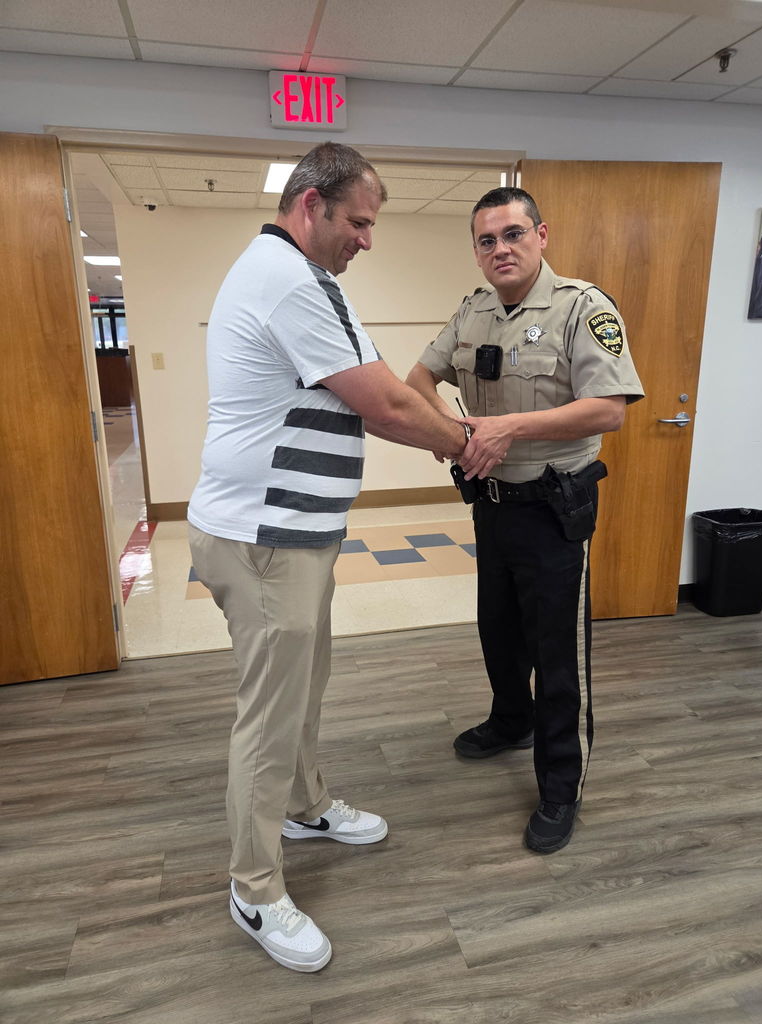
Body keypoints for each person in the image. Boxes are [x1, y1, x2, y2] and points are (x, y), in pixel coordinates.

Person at [187, 142, 469, 974]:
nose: (366, 239)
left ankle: (305, 806)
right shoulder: (283, 279)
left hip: (298, 533)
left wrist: (445, 432)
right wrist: (467, 444)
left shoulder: (309, 281)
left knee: (305, 687)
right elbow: (382, 402)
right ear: (310, 205)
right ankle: (253, 888)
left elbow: (379, 378)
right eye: (358, 221)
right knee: (269, 718)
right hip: (265, 539)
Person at [406, 186, 644, 855]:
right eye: (487, 240)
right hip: (492, 503)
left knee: (556, 654)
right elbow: (417, 381)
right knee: (498, 629)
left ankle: (561, 783)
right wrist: (444, 430)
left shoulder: (582, 308)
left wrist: (509, 426)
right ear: (477, 252)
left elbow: (609, 409)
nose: (500, 249)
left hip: (553, 507)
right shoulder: (473, 311)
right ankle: (512, 720)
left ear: (542, 235)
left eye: (513, 234)